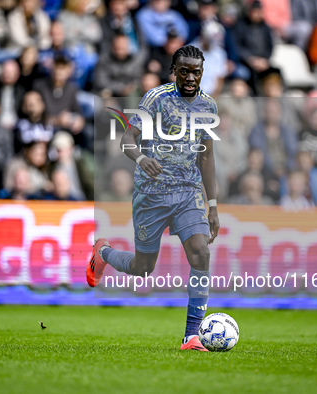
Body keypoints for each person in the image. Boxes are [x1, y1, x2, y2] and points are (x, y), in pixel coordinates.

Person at [86, 45, 219, 352]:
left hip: (188, 193)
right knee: (143, 268)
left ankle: (191, 336)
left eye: (195, 72)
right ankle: (103, 253)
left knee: (201, 253)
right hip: (152, 194)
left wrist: (212, 206)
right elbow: (127, 139)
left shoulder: (208, 106)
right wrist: (141, 158)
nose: (189, 77)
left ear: (202, 73)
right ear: (174, 70)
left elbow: (207, 157)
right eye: (183, 71)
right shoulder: (156, 99)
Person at [233, 0, 278, 92]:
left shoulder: (266, 28)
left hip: (263, 61)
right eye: (254, 11)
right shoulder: (241, 25)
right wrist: (251, 59)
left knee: (276, 72)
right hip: (247, 62)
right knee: (250, 74)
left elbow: (270, 46)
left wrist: (265, 60)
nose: (256, 14)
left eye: (258, 11)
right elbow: (237, 46)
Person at [48, 131, 94, 200]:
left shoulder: (81, 163)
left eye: (63, 149)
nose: (60, 153)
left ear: (71, 148)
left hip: (82, 201)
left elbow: (90, 183)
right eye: (58, 150)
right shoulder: (52, 167)